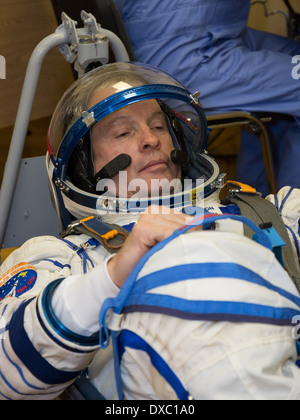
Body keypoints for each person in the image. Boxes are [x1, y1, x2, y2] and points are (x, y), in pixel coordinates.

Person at [0, 62, 300, 400]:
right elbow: (7, 374)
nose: (151, 140)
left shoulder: (271, 211)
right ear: (83, 165)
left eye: (158, 125)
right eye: (123, 132)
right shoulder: (65, 260)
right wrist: (110, 279)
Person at [113, 0, 300, 197]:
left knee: (289, 65)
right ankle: (292, 215)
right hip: (183, 51)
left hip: (194, 31)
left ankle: (256, 202)